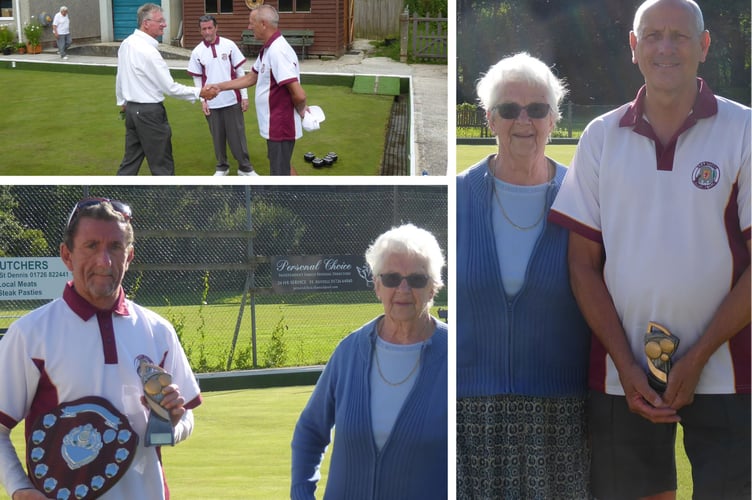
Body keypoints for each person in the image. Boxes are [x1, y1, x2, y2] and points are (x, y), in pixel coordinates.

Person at [549, 0, 750, 498]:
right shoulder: (600, 137)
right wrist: (625, 363)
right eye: (653, 35)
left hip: (728, 371)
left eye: (679, 36)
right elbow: (582, 265)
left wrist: (698, 356)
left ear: (703, 46)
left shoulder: (744, 129)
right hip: (624, 376)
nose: (666, 47)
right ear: (634, 47)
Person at [0, 197, 202, 499]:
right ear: (67, 255)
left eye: (116, 247)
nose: (104, 261)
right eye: (91, 246)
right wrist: (20, 489)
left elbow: (186, 416)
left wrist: (171, 426)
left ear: (130, 255)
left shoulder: (158, 330)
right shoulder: (30, 333)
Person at [456, 52, 592, 499]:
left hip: (560, 420)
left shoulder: (585, 200)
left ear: (553, 119)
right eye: (509, 110)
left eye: (537, 109)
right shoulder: (455, 198)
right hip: (468, 418)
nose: (524, 121)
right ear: (490, 119)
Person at [291, 223, 447, 499]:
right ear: (377, 286)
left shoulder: (455, 354)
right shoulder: (349, 352)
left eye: (417, 279)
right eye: (391, 278)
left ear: (434, 288)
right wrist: (302, 493)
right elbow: (310, 431)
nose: (402, 288)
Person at [115, 3, 219, 176]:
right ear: (146, 23)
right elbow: (170, 87)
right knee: (162, 167)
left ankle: (113, 199)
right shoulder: (148, 51)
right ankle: (165, 201)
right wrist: (200, 92)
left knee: (129, 163)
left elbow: (120, 75)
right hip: (150, 114)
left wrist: (122, 102)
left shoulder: (127, 43)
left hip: (133, 112)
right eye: (160, 21)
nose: (165, 24)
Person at [211, 5, 308, 176]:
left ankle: (286, 200)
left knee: (279, 171)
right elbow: (251, 78)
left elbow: (299, 94)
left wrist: (302, 110)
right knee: (280, 162)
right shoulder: (268, 49)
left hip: (281, 124)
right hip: (274, 124)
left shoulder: (278, 51)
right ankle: (293, 197)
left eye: (251, 23)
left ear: (263, 24)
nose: (249, 27)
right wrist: (220, 86)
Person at [188, 15, 259, 176]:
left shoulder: (229, 45)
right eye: (204, 29)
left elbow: (240, 72)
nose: (207, 31)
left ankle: (245, 168)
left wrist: (245, 96)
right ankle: (222, 167)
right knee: (217, 138)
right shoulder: (197, 52)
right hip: (212, 103)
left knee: (237, 137)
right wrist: (202, 101)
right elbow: (197, 79)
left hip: (232, 100)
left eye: (210, 28)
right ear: (200, 31)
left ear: (216, 28)